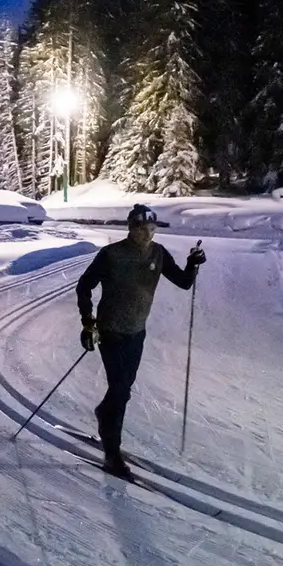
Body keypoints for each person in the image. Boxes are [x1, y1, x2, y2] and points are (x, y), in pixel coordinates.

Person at [76, 204, 205, 476]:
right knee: (120, 390)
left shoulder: (158, 253)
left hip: (137, 331)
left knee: (122, 389)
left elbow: (183, 282)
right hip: (110, 330)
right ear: (130, 228)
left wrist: (192, 265)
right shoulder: (111, 255)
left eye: (151, 229)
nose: (147, 235)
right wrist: (88, 323)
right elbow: (84, 285)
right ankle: (112, 454)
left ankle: (104, 414)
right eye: (141, 229)